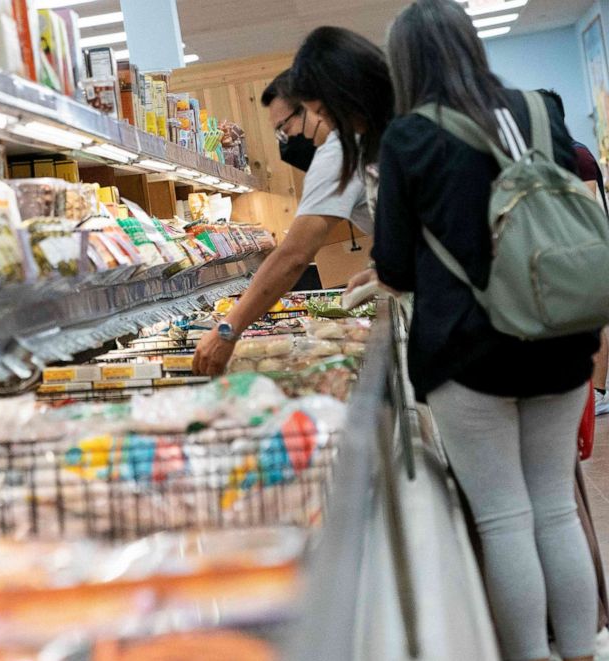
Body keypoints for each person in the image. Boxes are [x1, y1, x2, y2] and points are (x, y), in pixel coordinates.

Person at [376, 1, 599, 660]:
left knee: (505, 517)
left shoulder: (408, 136)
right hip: (560, 334)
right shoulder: (542, 108)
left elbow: (393, 266)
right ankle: (583, 652)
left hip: (468, 350)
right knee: (556, 508)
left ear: (405, 64)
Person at [192, 39, 393, 376]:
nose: (286, 141)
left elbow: (294, 255)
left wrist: (227, 329)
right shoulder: (366, 136)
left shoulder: (337, 149)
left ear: (314, 106)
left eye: (284, 128)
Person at [538, 89, 609, 417]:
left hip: (591, 249)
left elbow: (585, 209)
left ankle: (598, 393)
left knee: (598, 322)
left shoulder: (576, 154)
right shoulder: (548, 157)